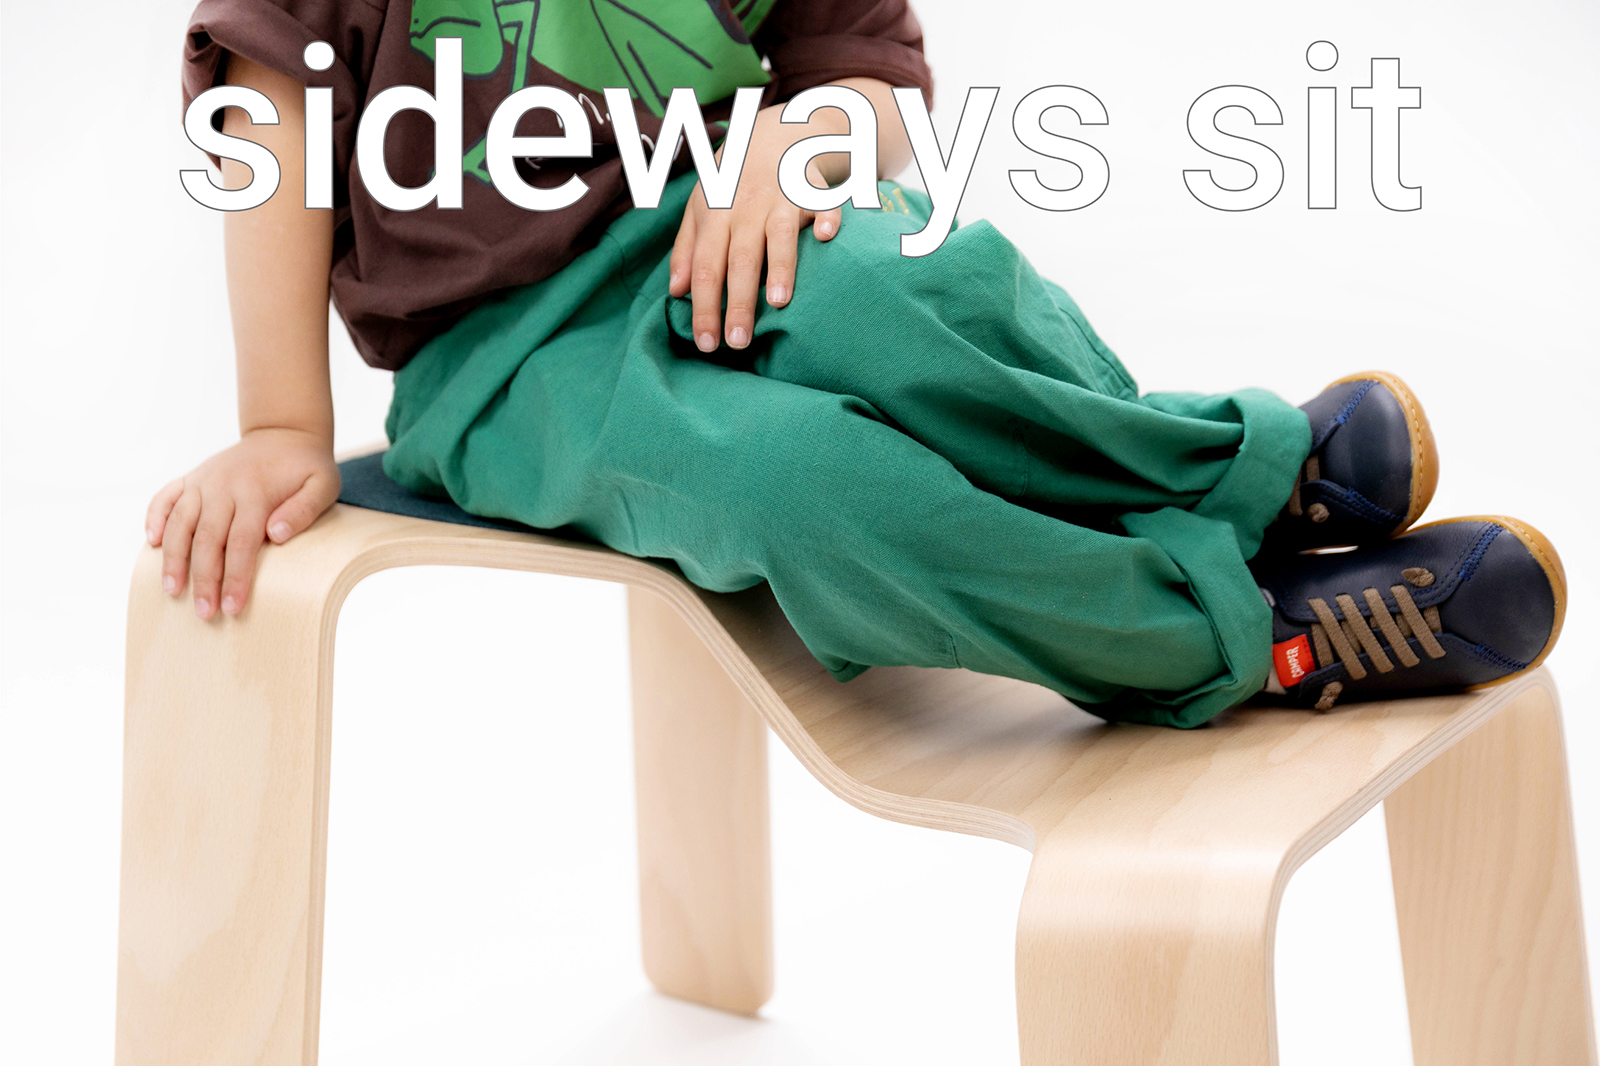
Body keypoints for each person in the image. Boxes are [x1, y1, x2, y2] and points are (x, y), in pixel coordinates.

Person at [149, 0, 1565, 728]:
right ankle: (1247, 640)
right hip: (503, 354)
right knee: (811, 484)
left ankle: (1238, 479)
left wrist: (800, 135)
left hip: (716, 216)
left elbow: (877, 96)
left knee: (920, 288)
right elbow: (268, 107)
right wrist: (280, 420)